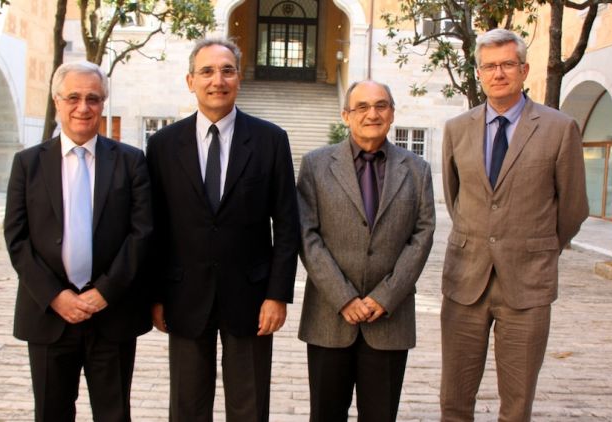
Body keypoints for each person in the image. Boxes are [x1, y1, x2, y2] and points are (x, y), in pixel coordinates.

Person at [145, 38, 300, 422]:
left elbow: (286, 223)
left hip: (251, 296)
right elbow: (154, 227)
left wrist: (277, 294)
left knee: (249, 408)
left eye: (227, 70)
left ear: (239, 78)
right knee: (187, 406)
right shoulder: (162, 145)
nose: (218, 80)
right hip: (184, 295)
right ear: (190, 80)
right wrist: (155, 295)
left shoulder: (270, 140)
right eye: (207, 71)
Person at [440, 28, 589, 421]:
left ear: (524, 70)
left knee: (517, 402)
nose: (498, 73)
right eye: (489, 66)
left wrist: (535, 246)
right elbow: (455, 197)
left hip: (527, 283)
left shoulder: (559, 129)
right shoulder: (456, 129)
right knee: (453, 399)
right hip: (465, 281)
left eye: (507, 64)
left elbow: (573, 207)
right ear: (479, 73)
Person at [4, 61, 153, 422]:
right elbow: (16, 238)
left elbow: (142, 233)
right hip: (48, 316)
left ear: (103, 103)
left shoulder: (131, 162)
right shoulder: (28, 164)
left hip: (112, 314)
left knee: (114, 414)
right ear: (57, 101)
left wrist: (104, 291)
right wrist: (56, 296)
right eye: (73, 97)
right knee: (52, 414)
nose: (83, 107)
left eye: (93, 98)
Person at [297, 80, 435, 421]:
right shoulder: (315, 165)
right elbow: (307, 235)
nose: (372, 114)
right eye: (362, 107)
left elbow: (422, 235)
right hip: (330, 317)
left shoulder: (417, 170)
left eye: (381, 105)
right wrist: (343, 297)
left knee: (380, 416)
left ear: (392, 113)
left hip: (389, 319)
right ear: (346, 115)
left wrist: (385, 297)